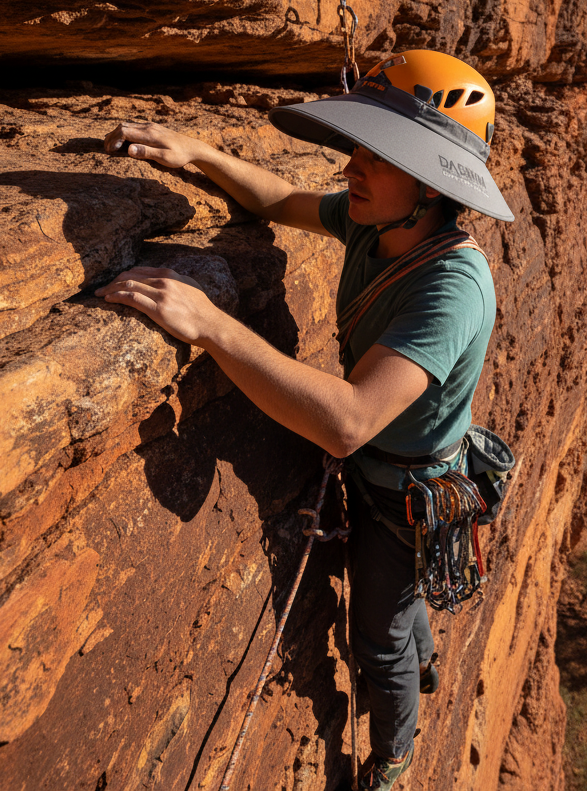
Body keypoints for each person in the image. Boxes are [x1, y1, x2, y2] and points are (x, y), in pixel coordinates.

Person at [97, 49, 513, 790]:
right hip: (392, 477)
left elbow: (349, 422)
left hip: (406, 494)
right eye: (359, 147)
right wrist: (198, 152)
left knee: (377, 638)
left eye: (378, 155)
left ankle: (394, 756)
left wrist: (211, 324)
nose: (353, 167)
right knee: (401, 601)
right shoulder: (376, 223)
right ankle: (423, 659)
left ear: (431, 183)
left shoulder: (453, 286)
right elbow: (281, 198)